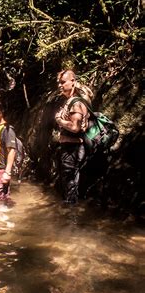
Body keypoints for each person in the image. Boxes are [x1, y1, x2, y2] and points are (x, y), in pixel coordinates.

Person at [55, 69, 92, 204]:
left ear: (73, 82)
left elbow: (75, 127)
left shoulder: (76, 103)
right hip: (70, 148)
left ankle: (71, 219)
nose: (60, 85)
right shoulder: (70, 101)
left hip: (73, 149)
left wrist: (59, 120)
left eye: (63, 82)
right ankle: (70, 216)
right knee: (69, 184)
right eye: (59, 83)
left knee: (70, 186)